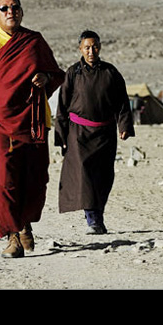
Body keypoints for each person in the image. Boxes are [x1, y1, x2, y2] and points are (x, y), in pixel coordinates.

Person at [0, 0, 64, 258]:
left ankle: (24, 224)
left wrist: (45, 77)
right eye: (4, 8)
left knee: (33, 179)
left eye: (15, 7)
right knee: (2, 182)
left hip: (32, 121)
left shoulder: (34, 42)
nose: (11, 12)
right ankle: (12, 237)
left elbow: (56, 74)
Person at [55, 30, 134, 235]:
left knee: (103, 176)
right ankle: (93, 219)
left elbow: (122, 101)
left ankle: (98, 215)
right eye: (87, 47)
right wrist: (61, 136)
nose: (91, 51)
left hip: (105, 132)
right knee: (84, 174)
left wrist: (124, 126)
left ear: (100, 47)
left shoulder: (111, 72)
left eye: (95, 46)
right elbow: (62, 107)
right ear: (80, 48)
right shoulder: (73, 73)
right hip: (79, 133)